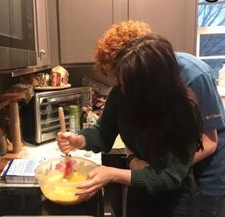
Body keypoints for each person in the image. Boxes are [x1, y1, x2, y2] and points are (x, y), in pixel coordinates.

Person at [57, 33, 203, 217]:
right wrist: (78, 140)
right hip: (139, 192)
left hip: (176, 203)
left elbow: (169, 177)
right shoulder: (122, 93)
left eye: (131, 81)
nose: (123, 86)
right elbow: (103, 133)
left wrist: (113, 174)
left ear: (155, 83)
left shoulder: (183, 110)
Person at [92, 20, 225, 217]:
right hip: (159, 175)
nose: (122, 82)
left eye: (124, 72)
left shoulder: (193, 78)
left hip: (206, 179)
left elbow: (209, 142)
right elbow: (132, 129)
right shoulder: (140, 87)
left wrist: (160, 171)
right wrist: (134, 160)